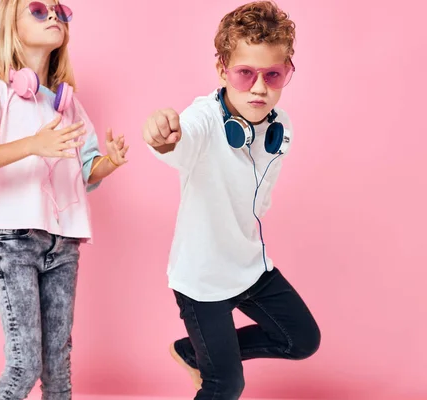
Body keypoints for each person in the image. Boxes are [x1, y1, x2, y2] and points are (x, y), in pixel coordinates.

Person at [142, 2, 320, 398]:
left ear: (286, 72)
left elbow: (261, 196)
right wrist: (163, 136)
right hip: (202, 279)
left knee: (302, 339)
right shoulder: (203, 120)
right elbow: (178, 140)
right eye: (245, 73)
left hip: (249, 266)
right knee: (225, 383)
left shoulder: (281, 127)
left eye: (272, 74)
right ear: (223, 69)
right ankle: (211, 361)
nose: (259, 87)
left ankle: (194, 352)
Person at [0, 1, 129, 399]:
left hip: (64, 242)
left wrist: (109, 164)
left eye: (60, 10)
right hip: (16, 239)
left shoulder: (68, 104)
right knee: (25, 363)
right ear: (9, 25)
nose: (53, 15)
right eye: (37, 9)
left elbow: (85, 171)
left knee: (58, 366)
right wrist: (34, 145)